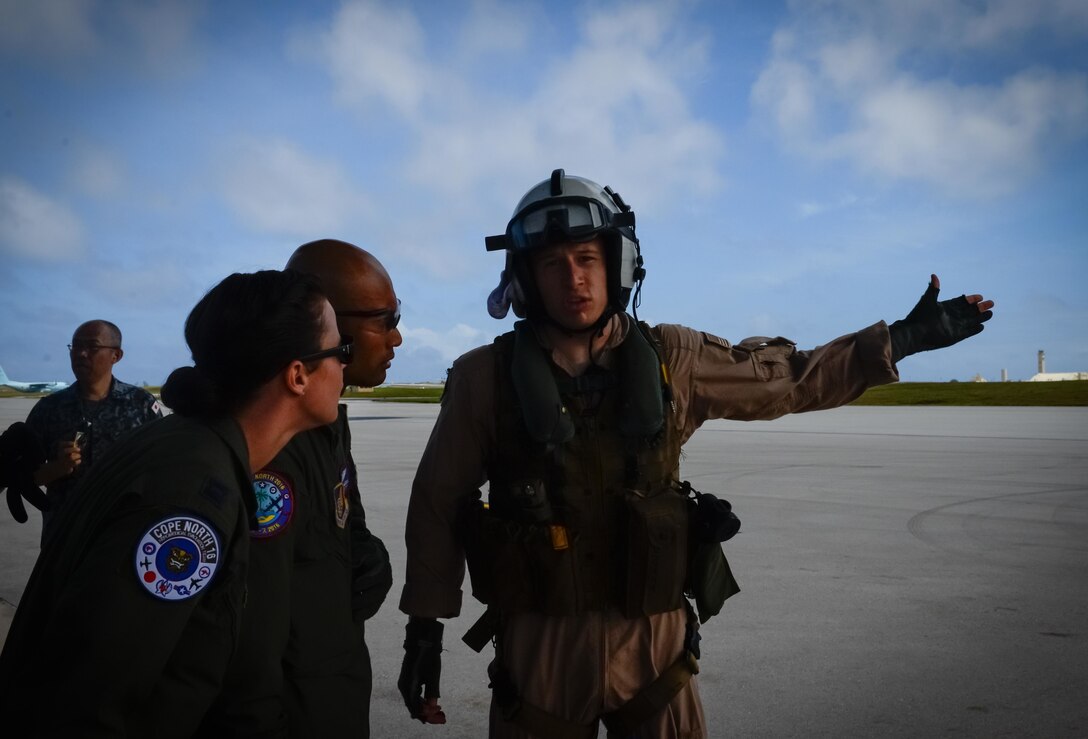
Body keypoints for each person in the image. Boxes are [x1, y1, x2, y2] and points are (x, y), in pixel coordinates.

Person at [397, 169, 995, 738]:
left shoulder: (672, 359)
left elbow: (789, 380)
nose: (573, 279)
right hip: (540, 646)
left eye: (586, 259)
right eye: (552, 264)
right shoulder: (485, 379)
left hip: (654, 647)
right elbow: (437, 502)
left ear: (618, 264)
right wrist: (424, 627)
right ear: (526, 278)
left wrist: (900, 341)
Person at [0, 269, 351, 737]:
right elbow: (90, 700)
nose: (346, 365)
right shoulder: (192, 492)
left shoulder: (185, 443)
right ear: (298, 375)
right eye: (339, 351)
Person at [202, 239, 400, 737]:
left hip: (330, 698)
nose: (396, 338)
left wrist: (360, 547)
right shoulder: (276, 448)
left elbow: (327, 533)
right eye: (384, 319)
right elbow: (253, 642)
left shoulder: (324, 425)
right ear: (331, 325)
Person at [23, 319, 162, 542]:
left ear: (116, 355)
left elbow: (159, 471)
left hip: (122, 541)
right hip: (63, 540)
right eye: (76, 346)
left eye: (92, 347)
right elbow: (26, 478)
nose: (81, 354)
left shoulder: (141, 405)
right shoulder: (48, 409)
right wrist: (58, 468)